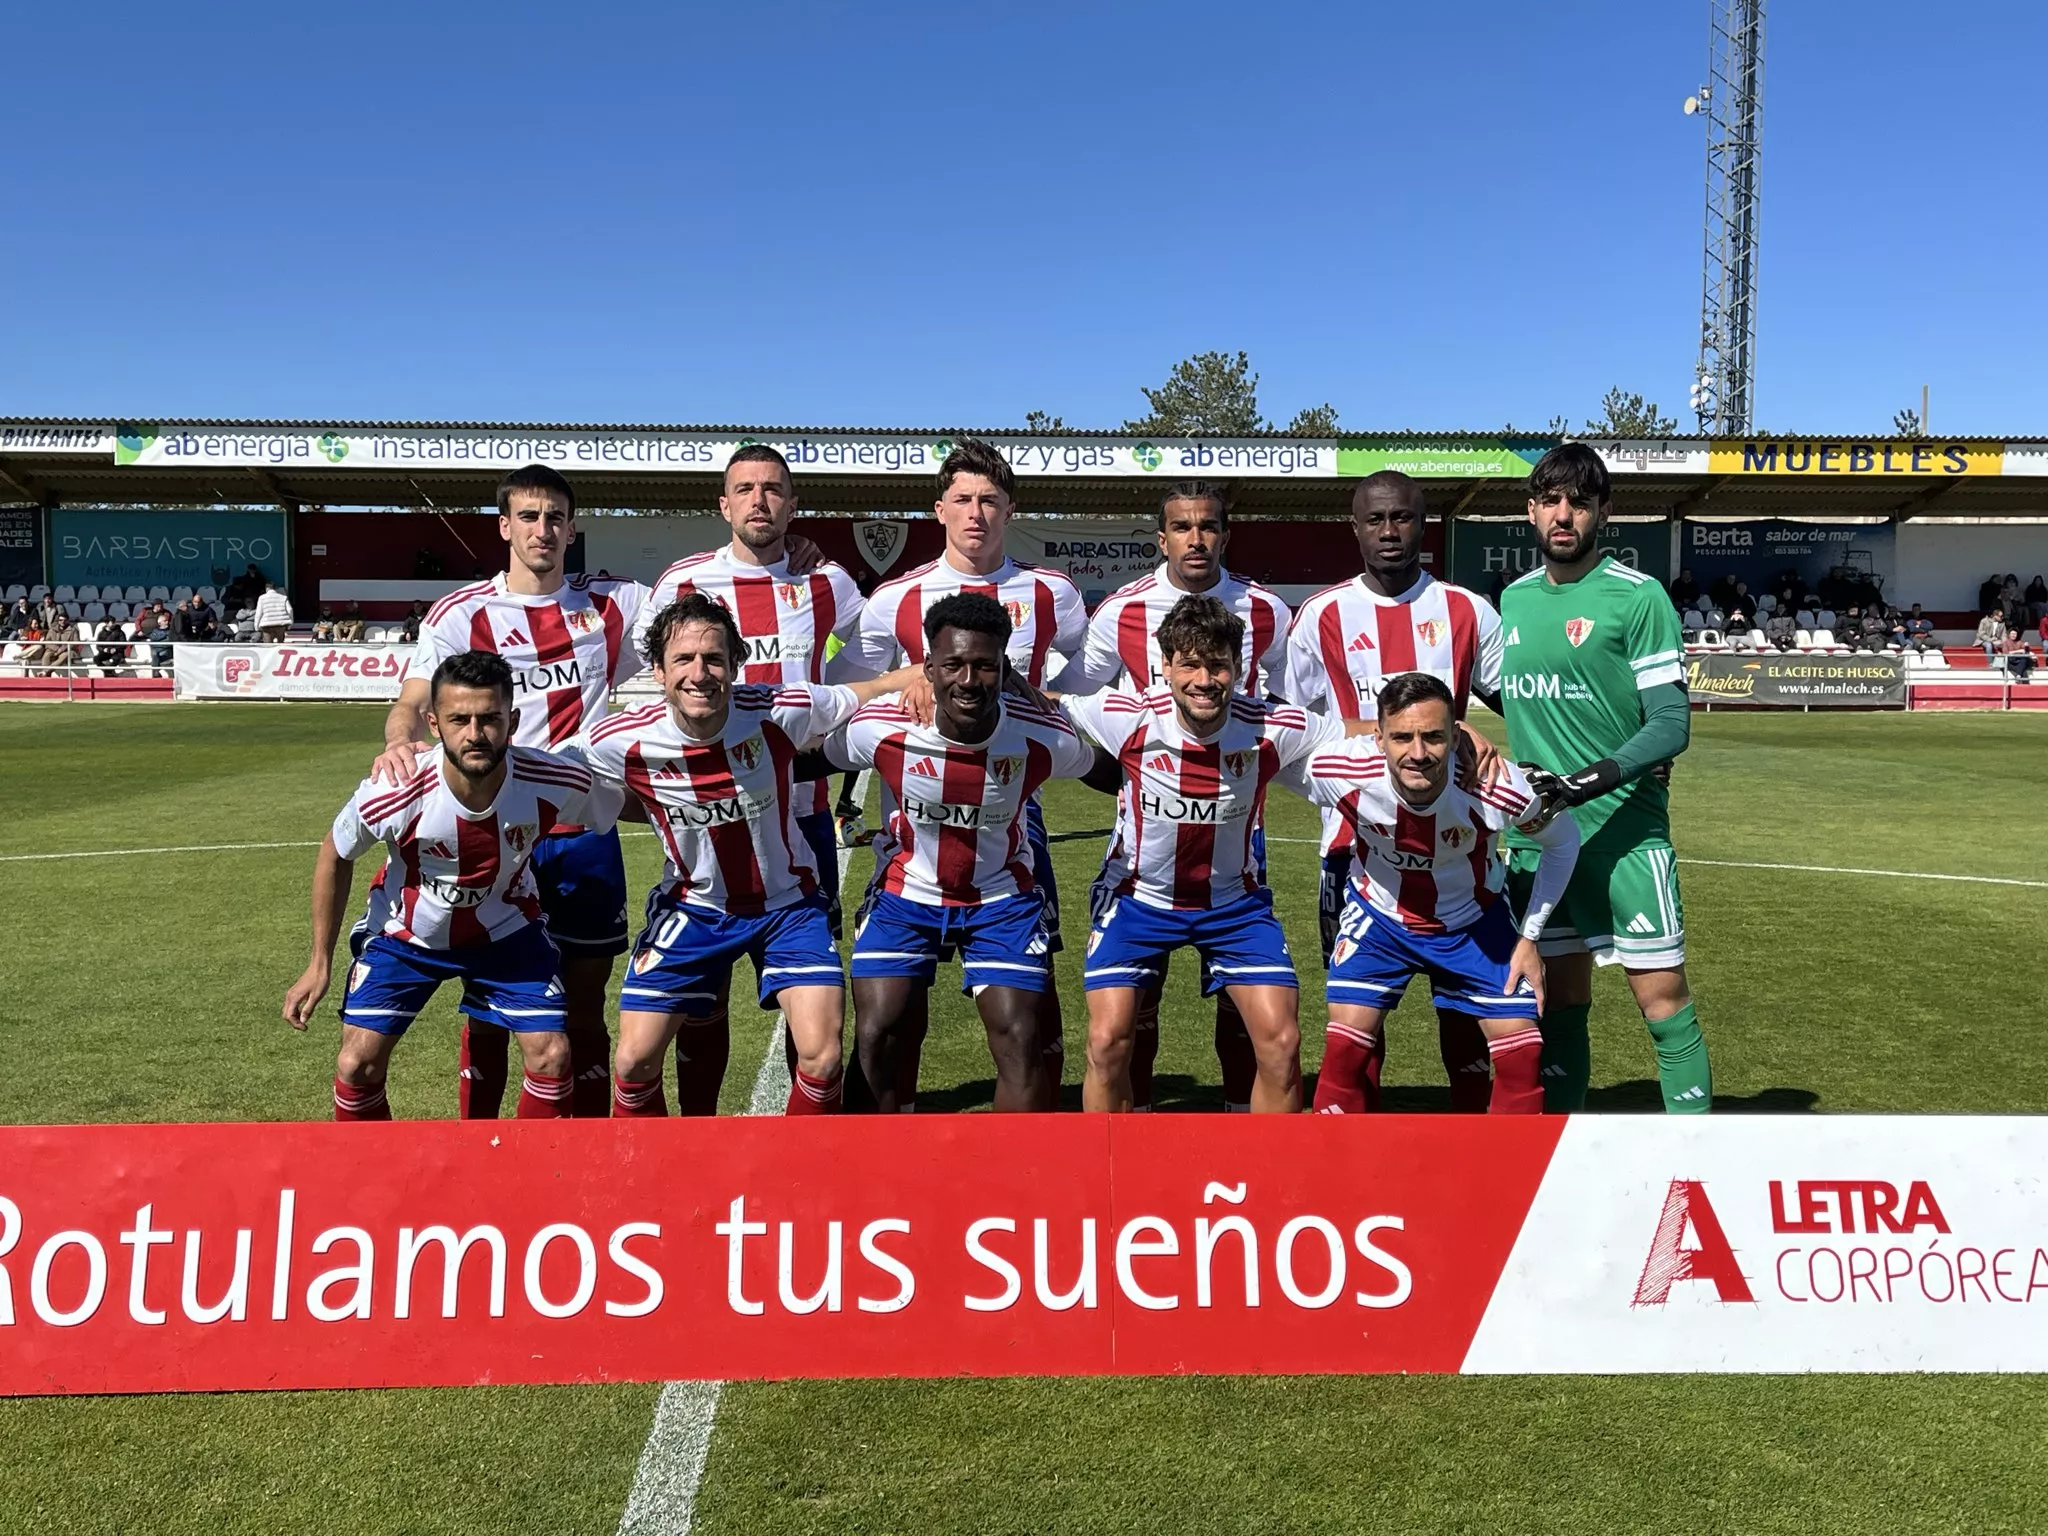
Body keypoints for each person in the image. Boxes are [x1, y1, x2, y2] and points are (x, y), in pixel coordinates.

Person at [373, 463, 651, 1119]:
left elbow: (695, 616)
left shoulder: (613, 603)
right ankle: (484, 1154)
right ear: (505, 527)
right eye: (528, 516)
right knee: (492, 1004)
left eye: (555, 517)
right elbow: (413, 700)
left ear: (572, 528)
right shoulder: (463, 613)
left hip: (582, 836)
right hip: (491, 838)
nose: (543, 529)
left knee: (585, 1001)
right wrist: (396, 741)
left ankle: (582, 1153)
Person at [576, 594, 916, 1117]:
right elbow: (536, 770)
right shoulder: (617, 738)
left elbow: (864, 690)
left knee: (823, 1058)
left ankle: (797, 1183)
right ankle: (655, 1183)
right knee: (633, 1062)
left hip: (788, 908)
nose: (699, 674)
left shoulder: (779, 710)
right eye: (683, 660)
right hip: (693, 908)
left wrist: (920, 678)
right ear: (657, 670)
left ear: (736, 664)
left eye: (713, 659)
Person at [838, 440, 1087, 1109]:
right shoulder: (897, 597)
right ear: (939, 508)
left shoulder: (1052, 593)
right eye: (963, 499)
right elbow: (846, 686)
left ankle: (1035, 1121)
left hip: (1012, 806)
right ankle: (900, 1115)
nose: (976, 513)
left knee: (1034, 991)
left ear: (1010, 509)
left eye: (990, 500)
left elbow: (1087, 679)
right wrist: (908, 679)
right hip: (914, 805)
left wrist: (1044, 699)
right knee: (892, 1005)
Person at [282, 651, 623, 1121]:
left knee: (552, 1055)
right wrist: (318, 963)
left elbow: (625, 803)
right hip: (405, 937)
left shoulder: (553, 780)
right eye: (459, 719)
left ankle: (522, 1183)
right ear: (434, 724)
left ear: (513, 721)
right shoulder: (396, 789)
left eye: (490, 719)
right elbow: (334, 852)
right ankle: (377, 1188)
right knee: (355, 1064)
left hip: (506, 934)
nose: (475, 733)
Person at [638, 444, 869, 1112]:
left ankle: (811, 1155)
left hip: (801, 819)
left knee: (815, 1012)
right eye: (745, 489)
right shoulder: (682, 585)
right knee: (702, 1003)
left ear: (792, 506)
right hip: (706, 825)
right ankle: (701, 1134)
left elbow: (865, 671)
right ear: (724, 504)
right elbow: (664, 686)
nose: (759, 501)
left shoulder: (829, 584)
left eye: (773, 489)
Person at [1061, 595, 1358, 1114]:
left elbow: (1355, 734)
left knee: (1283, 1045)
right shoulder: (1125, 716)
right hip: (1137, 902)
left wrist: (1454, 729)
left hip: (1233, 908)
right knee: (1108, 1043)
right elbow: (1042, 702)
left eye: (1218, 665)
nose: (1205, 679)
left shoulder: (1271, 725)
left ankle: (1270, 1183)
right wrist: (922, 684)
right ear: (1165, 668)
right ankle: (1108, 1183)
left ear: (1239, 669)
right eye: (1190, 664)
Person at [1056, 481, 1292, 1112]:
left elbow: (1297, 706)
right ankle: (1131, 1134)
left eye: (1208, 526)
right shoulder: (1124, 611)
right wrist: (1113, 771)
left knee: (1248, 1015)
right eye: (1182, 527)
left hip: (1239, 833)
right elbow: (1073, 699)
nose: (1196, 538)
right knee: (1134, 1010)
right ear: (1161, 539)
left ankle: (1244, 1120)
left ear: (1225, 534)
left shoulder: (1265, 610)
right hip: (1145, 840)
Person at [1278, 470, 1506, 1114]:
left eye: (1402, 518)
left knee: (1465, 1020)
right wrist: (1368, 736)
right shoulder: (1322, 616)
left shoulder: (1465, 610)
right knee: (1356, 1026)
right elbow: (1293, 727)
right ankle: (1355, 1163)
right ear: (1355, 527)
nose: (1388, 531)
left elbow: (1524, 704)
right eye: (1374, 519)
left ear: (1422, 524)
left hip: (1460, 852)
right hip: (1354, 852)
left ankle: (1476, 1154)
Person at [1499, 442, 1710, 1115]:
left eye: (1580, 504)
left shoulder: (1637, 598)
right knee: (1557, 1003)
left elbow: (1672, 721)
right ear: (1531, 512)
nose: (1565, 515)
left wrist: (1582, 782)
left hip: (1626, 837)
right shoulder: (1511, 601)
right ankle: (1562, 1158)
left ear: (1602, 514)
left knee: (1662, 1002)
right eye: (1552, 501)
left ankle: (1697, 1158)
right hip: (1539, 842)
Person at [1279, 672, 1581, 1114]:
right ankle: (1340, 1176)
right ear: (1378, 737)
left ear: (1456, 736)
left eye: (1434, 737)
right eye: (1402, 737)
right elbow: (1263, 754)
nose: (1417, 753)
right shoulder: (1338, 771)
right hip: (1380, 920)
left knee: (1523, 1057)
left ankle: (1508, 1179)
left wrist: (1529, 938)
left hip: (1475, 923)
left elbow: (1563, 840)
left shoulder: (1496, 788)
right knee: (1344, 1052)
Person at [137, 604, 174, 676]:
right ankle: (156, 673)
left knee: (155, 655)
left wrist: (159, 641)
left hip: (166, 651)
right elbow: (152, 639)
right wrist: (163, 638)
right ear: (160, 623)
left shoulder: (170, 631)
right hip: (157, 650)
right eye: (165, 621)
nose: (167, 622)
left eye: (167, 621)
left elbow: (169, 641)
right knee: (155, 654)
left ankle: (155, 674)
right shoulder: (155, 630)